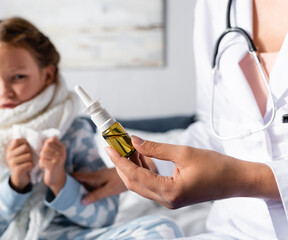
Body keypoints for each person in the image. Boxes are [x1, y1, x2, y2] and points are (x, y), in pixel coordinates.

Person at [0, 17, 183, 240]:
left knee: (163, 228)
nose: (3, 90)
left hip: (73, 236)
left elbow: (104, 217)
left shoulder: (74, 131)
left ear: (48, 75)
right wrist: (15, 185)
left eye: (17, 77)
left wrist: (61, 182)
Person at [73, 0, 288, 239]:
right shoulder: (215, 6)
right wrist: (152, 166)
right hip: (234, 230)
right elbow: (216, 127)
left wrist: (243, 180)